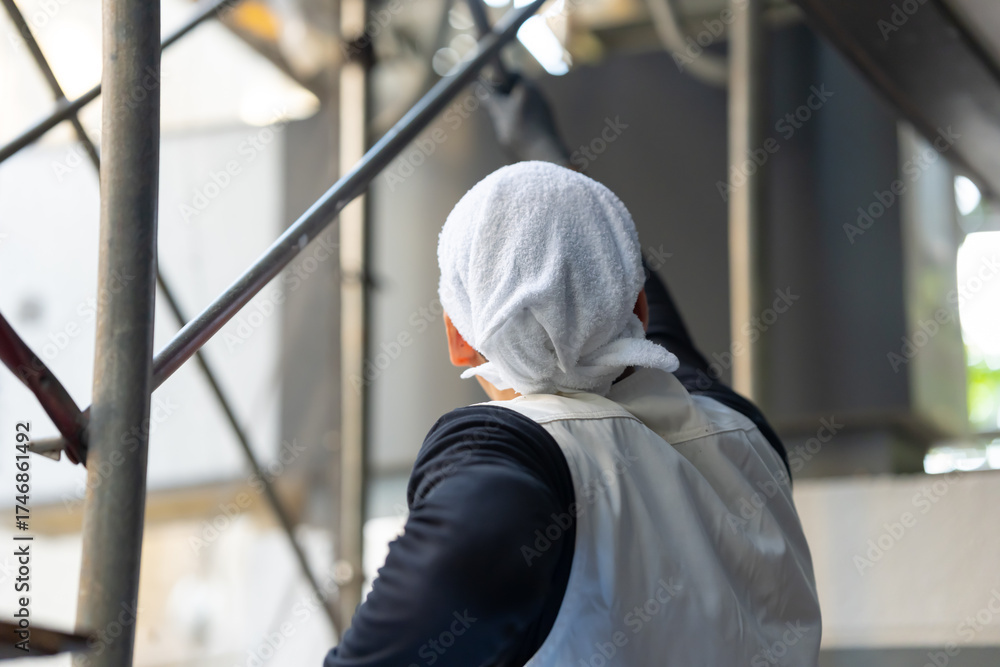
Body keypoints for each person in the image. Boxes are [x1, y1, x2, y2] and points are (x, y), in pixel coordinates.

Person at [324, 161, 821, 666]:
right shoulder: (741, 433)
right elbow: (660, 335)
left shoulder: (511, 455)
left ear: (458, 339)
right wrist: (550, 154)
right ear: (638, 309)